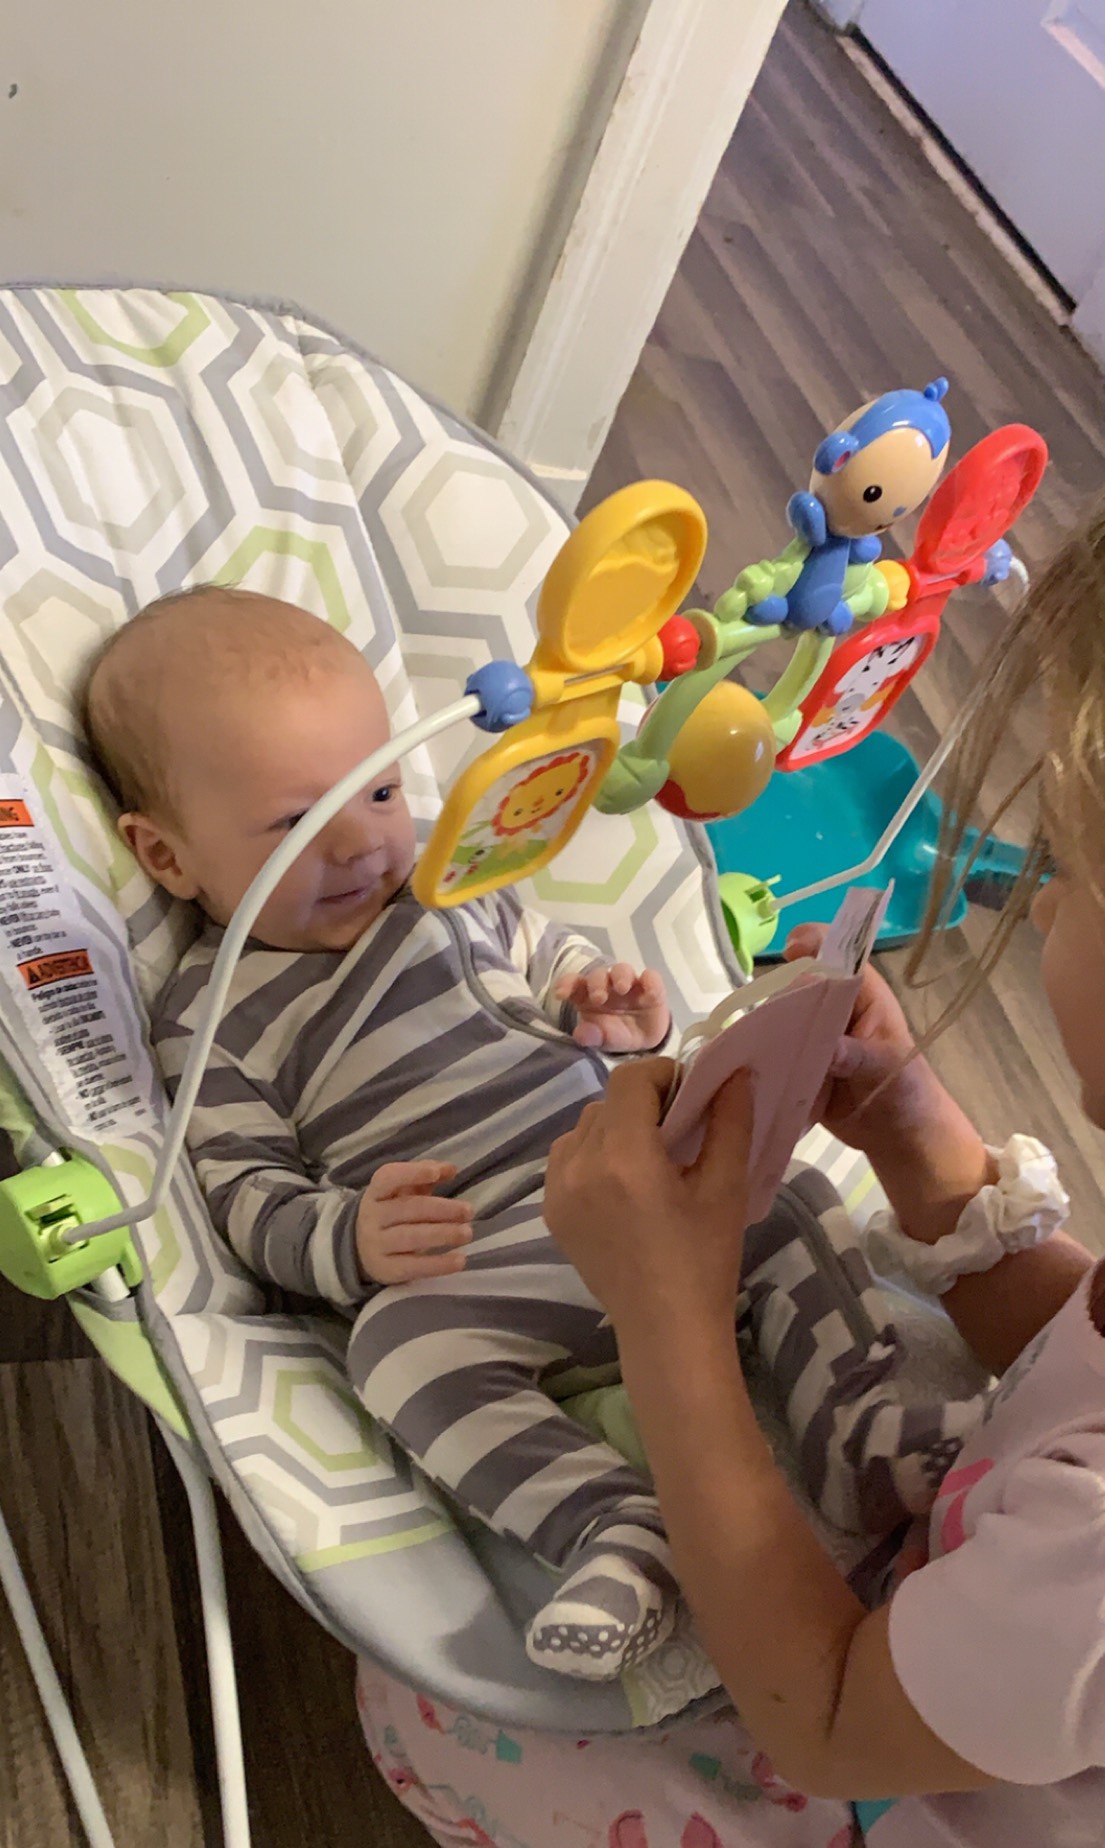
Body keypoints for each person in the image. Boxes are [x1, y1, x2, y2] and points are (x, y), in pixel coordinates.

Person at [357, 454, 1105, 1848]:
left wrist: (664, 1314)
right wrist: (919, 1141)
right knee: (869, 1346)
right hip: (1024, 1660)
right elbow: (1096, 1351)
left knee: (421, 1721)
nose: (1042, 915)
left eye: (1081, 873)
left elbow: (817, 1713)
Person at [83, 587, 963, 1690]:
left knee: (783, 1195)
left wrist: (615, 1013)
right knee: (395, 1351)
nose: (361, 844)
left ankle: (852, 1431)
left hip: (638, 1197)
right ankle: (616, 1531)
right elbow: (240, 1187)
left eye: (382, 791)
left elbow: (557, 969)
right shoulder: (216, 1015)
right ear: (166, 857)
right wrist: (347, 1238)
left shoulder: (452, 889)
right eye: (298, 825)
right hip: (490, 1261)